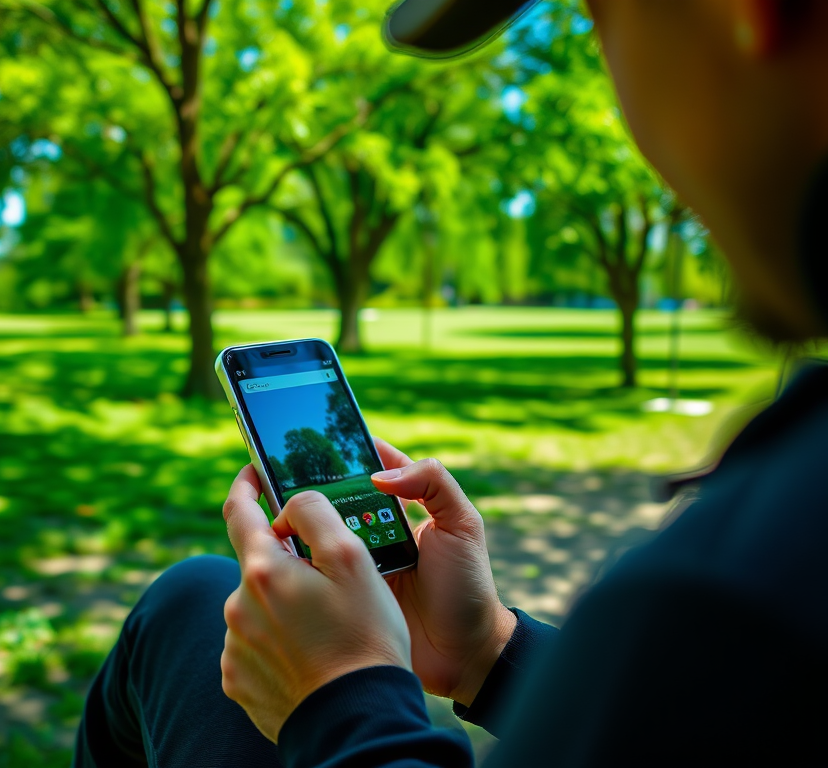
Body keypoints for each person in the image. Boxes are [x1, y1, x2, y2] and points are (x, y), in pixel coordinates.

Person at [73, 0, 828, 765]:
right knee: (191, 599)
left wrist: (339, 698)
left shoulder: (740, 601)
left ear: (743, 12)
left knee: (187, 604)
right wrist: (488, 651)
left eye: (602, 17)